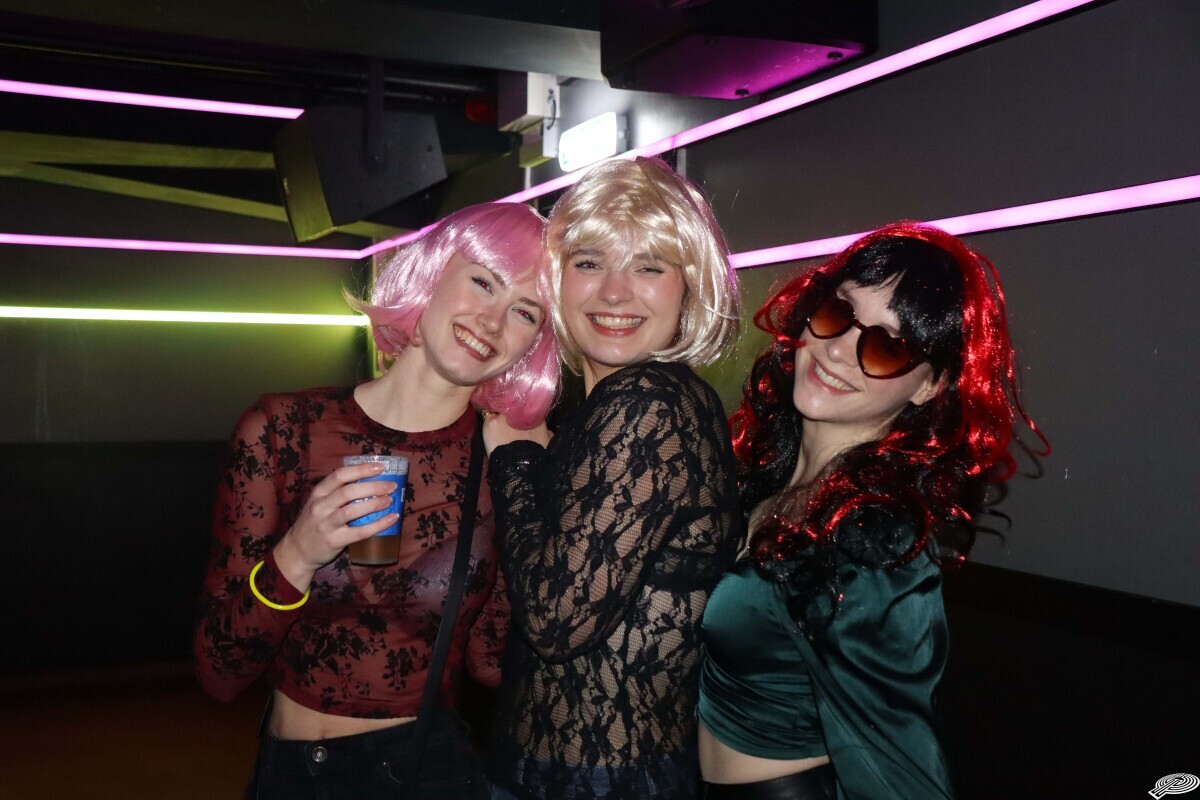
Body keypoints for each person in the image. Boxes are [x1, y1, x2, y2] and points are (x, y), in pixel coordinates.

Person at [193, 202, 559, 800]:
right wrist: (297, 554)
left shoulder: (502, 469)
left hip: (424, 774)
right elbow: (219, 672)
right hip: (285, 776)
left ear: (533, 345)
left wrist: (531, 499)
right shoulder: (282, 429)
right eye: (483, 282)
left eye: (525, 311)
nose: (493, 321)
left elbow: (494, 664)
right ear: (433, 272)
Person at [698, 223, 1046, 799]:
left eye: (888, 346)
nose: (838, 350)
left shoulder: (875, 542)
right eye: (838, 312)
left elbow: (900, 770)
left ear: (930, 387)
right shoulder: (766, 477)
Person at [482, 156, 743, 800]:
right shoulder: (603, 413)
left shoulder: (648, 402)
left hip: (602, 781)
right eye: (590, 262)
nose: (615, 293)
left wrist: (514, 459)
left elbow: (555, 620)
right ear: (556, 279)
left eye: (649, 267)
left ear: (689, 288)